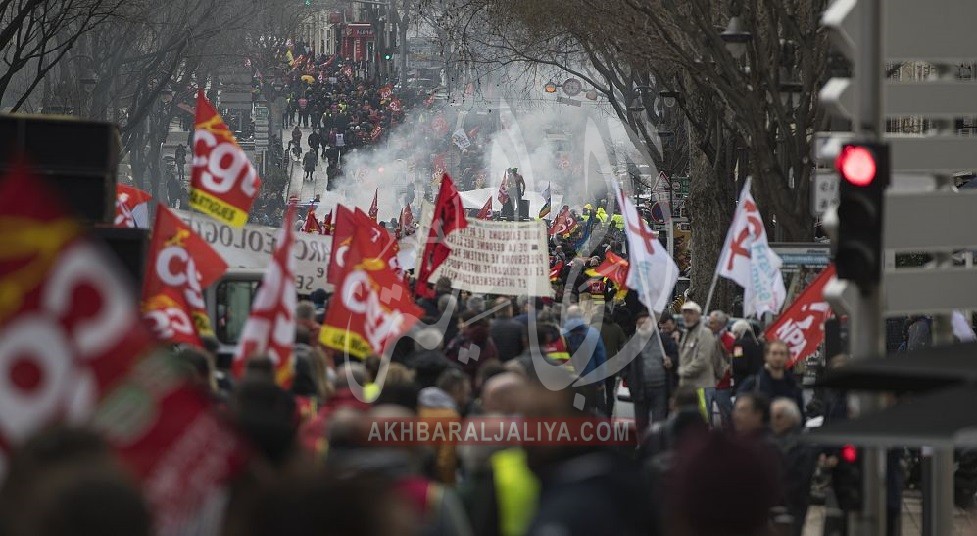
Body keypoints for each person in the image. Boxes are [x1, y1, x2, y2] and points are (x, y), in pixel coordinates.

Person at [771, 398, 818, 536]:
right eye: (772, 417)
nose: (774, 421)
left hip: (792, 502)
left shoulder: (800, 443)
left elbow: (801, 475)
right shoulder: (773, 440)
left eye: (779, 417)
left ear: (791, 418)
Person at [621, 310, 671, 434]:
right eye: (640, 323)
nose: (643, 326)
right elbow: (622, 365)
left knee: (659, 424)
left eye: (646, 323)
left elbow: (676, 356)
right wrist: (630, 383)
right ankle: (643, 449)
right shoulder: (631, 343)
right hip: (640, 390)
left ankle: (657, 449)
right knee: (641, 424)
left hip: (660, 389)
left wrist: (671, 360)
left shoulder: (663, 340)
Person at [736, 339, 805, 422]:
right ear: (766, 356)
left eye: (782, 354)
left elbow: (800, 419)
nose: (778, 358)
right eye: (774, 353)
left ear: (787, 357)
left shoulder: (794, 387)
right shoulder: (752, 384)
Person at [676, 301, 717, 422]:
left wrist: (684, 371)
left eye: (690, 313)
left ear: (698, 315)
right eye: (684, 313)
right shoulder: (686, 333)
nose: (687, 316)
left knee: (700, 420)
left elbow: (703, 360)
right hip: (686, 386)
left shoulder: (705, 333)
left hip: (700, 386)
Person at [707, 309, 734, 427]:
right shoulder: (705, 337)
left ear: (720, 324)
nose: (709, 325)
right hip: (706, 383)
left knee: (726, 416)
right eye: (709, 322)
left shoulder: (731, 340)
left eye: (712, 323)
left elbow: (732, 361)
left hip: (722, 385)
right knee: (705, 417)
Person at [730, 319, 764, 391]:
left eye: (735, 333)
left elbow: (738, 364)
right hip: (759, 379)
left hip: (743, 381)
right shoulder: (760, 343)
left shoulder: (738, 345)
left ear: (739, 332)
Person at [489, 297, 524, 362]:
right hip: (514, 364)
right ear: (510, 309)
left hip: (495, 364)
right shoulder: (519, 326)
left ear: (495, 310)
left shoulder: (489, 327)